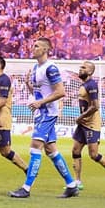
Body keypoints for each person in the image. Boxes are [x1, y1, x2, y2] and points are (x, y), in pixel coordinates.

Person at [9, 36, 80, 199]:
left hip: (48, 113)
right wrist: (29, 85)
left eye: (36, 46)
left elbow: (61, 92)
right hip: (41, 112)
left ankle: (26, 188)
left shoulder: (51, 68)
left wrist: (41, 102)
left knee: (35, 146)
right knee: (51, 150)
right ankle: (71, 185)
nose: (32, 48)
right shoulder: (35, 68)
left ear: (45, 50)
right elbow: (39, 92)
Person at [71, 61, 105, 191]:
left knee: (93, 155)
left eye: (83, 67)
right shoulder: (84, 84)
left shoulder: (92, 85)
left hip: (91, 125)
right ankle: (77, 181)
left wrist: (80, 117)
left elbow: (95, 106)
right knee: (75, 151)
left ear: (90, 71)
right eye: (80, 67)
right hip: (83, 124)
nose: (80, 69)